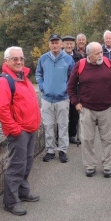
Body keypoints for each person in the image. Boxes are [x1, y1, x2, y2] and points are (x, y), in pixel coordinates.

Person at [0, 46, 42, 216]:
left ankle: (23, 192)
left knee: (27, 163)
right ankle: (11, 201)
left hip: (30, 128)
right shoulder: (4, 81)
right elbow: (2, 109)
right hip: (20, 131)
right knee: (16, 165)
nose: (19, 61)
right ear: (6, 61)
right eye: (15, 59)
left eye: (21, 58)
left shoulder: (23, 77)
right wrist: (14, 129)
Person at [67, 42, 111, 178]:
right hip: (87, 109)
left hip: (107, 108)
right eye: (97, 53)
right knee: (87, 139)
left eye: (101, 53)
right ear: (89, 55)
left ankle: (108, 165)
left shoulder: (107, 62)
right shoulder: (80, 65)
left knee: (108, 139)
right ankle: (90, 165)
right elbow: (70, 86)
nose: (101, 56)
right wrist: (76, 103)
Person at [36, 34, 74, 163]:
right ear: (49, 44)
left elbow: (73, 77)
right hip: (46, 98)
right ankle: (50, 150)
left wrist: (66, 88)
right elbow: (38, 73)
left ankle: (63, 150)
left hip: (62, 98)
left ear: (61, 44)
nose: (54, 45)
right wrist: (42, 86)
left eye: (57, 42)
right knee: (48, 125)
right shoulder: (43, 58)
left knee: (63, 125)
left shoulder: (68, 59)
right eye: (52, 43)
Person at [62, 35, 82, 145]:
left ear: (74, 45)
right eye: (67, 43)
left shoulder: (79, 56)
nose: (69, 45)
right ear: (63, 44)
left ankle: (72, 135)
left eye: (71, 43)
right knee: (62, 115)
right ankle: (60, 136)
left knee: (74, 113)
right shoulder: (58, 56)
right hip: (62, 89)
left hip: (75, 89)